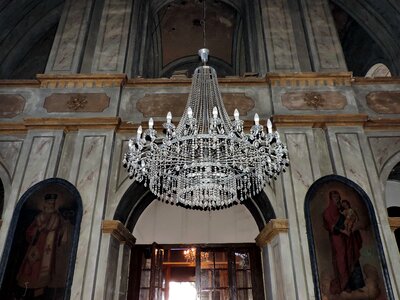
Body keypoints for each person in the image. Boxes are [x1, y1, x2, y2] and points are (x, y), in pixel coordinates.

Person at [16, 193, 67, 298]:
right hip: (36, 246)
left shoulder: (56, 217)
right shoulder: (39, 217)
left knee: (44, 271)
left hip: (48, 248)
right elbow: (29, 231)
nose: (51, 205)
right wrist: (36, 231)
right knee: (31, 266)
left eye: (52, 203)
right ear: (45, 204)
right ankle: (26, 290)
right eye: (49, 203)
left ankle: (40, 292)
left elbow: (62, 231)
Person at [323, 190, 365, 295]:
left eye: (338, 197)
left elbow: (351, 219)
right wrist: (343, 231)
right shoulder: (328, 211)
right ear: (331, 199)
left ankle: (357, 284)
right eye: (334, 197)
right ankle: (345, 285)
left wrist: (351, 229)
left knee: (351, 257)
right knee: (342, 260)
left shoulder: (342, 209)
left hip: (348, 238)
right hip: (338, 239)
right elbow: (331, 226)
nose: (337, 199)